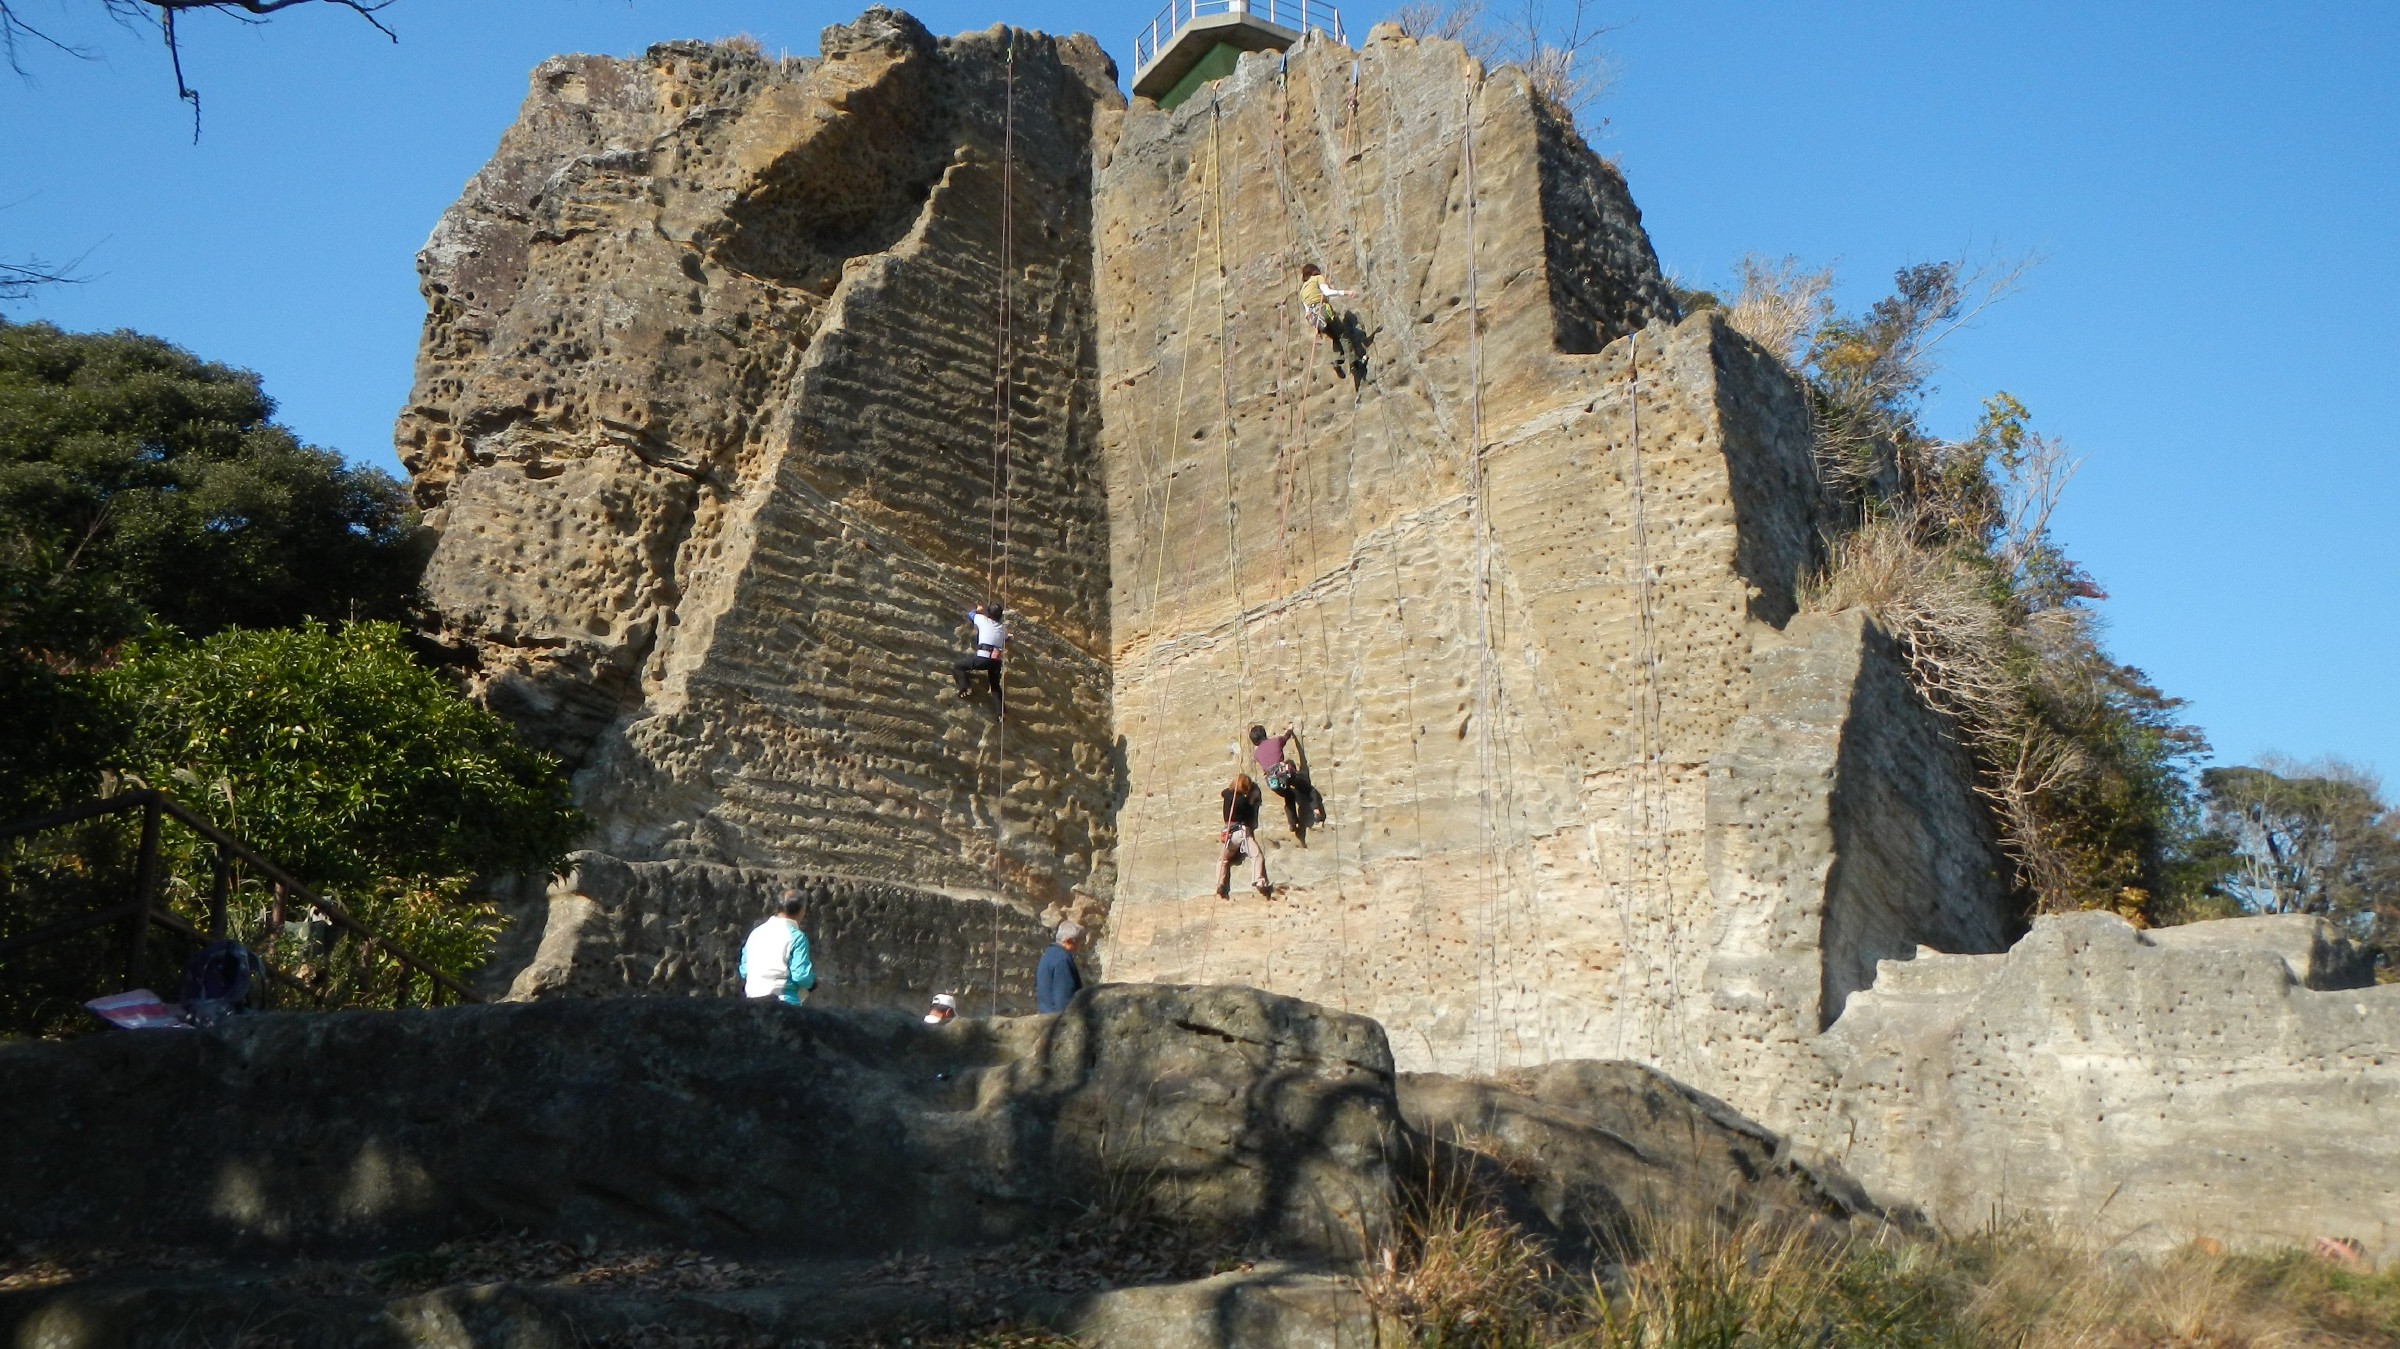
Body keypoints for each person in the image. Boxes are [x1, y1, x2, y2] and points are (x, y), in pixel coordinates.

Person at [1249, 723, 1326, 843]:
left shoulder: (1256, 754)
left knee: (1289, 796)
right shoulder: (1276, 742)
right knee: (1308, 789)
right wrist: (1290, 729)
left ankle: (1293, 823)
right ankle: (1316, 811)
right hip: (1285, 775)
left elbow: (1262, 754)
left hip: (1272, 782)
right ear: (1264, 734)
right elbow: (1286, 736)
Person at [738, 894, 817, 1005]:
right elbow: (801, 976)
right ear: (801, 911)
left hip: (752, 1000)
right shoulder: (797, 937)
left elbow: (744, 971)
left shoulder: (755, 933)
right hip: (783, 1003)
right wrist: (813, 982)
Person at [1216, 773, 1272, 898]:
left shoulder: (1227, 795)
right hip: (1242, 833)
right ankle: (1259, 880)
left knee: (1223, 860)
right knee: (1256, 855)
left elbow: (1226, 792)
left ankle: (1220, 884)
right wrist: (1252, 801)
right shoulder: (1242, 800)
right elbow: (1249, 819)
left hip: (1229, 834)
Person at [1299, 264, 1355, 365]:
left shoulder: (1302, 290)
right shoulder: (1317, 278)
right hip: (1323, 311)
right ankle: (1354, 361)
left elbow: (1307, 312)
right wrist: (1347, 292)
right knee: (1342, 334)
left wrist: (1316, 327)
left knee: (1335, 337)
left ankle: (1337, 361)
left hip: (1314, 319)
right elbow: (1327, 292)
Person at [952, 603, 1007, 704]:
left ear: (988, 614)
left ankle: (965, 688)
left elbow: (970, 614)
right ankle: (1001, 713)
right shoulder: (1002, 628)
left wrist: (978, 610)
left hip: (983, 658)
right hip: (995, 662)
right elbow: (1006, 638)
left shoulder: (982, 619)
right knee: (995, 687)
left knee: (957, 667)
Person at [1036, 921, 1084, 1014]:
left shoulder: (1048, 954)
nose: (1080, 946)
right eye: (1079, 941)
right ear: (1068, 941)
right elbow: (1064, 997)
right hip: (1057, 1020)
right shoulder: (1062, 960)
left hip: (1046, 1017)